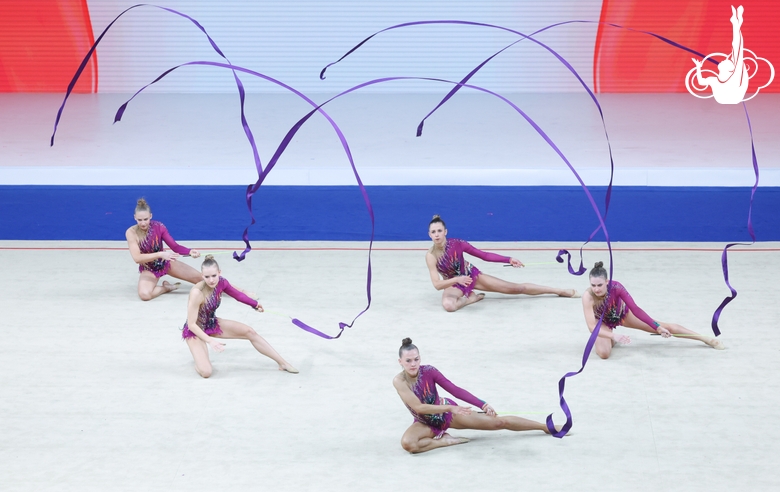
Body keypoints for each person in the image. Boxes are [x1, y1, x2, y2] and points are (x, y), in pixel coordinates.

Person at [393, 338, 559, 453]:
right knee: (408, 444)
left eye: (416, 359)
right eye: (408, 361)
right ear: (400, 361)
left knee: (500, 422)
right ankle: (443, 441)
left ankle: (545, 427)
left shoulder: (429, 371)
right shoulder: (399, 381)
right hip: (425, 422)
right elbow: (419, 408)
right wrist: (452, 407)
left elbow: (455, 389)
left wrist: (483, 404)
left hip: (448, 415)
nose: (413, 364)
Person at [425, 215, 577, 312]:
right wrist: (457, 280)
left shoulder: (458, 243)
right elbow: (437, 285)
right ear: (429, 235)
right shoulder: (431, 256)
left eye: (439, 231)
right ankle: (470, 299)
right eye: (433, 232)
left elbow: (484, 255)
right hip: (453, 283)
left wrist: (508, 259)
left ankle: (558, 291)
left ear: (446, 231)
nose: (437, 235)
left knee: (516, 288)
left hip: (470, 275)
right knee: (449, 305)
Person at [182, 255, 298, 378]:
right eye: (207, 277)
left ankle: (283, 363)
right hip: (195, 331)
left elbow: (238, 295)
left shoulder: (221, 282)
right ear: (202, 276)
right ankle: (199, 363)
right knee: (206, 372)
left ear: (219, 273)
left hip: (211, 323)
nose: (211, 280)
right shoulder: (197, 293)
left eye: (214, 276)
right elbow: (191, 324)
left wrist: (255, 304)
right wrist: (210, 341)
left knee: (250, 331)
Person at [582, 261, 725, 359]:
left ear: (607, 282)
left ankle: (705, 338)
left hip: (621, 315)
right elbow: (591, 327)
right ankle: (610, 338)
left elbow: (636, 309)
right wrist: (613, 336)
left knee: (664, 326)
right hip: (602, 323)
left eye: (599, 285)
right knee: (604, 354)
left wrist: (657, 327)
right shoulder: (588, 297)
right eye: (593, 285)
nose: (596, 289)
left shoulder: (616, 287)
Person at [125, 198, 203, 301]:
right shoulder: (131, 232)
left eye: (146, 219)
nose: (143, 223)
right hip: (149, 268)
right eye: (140, 220)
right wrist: (160, 254)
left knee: (203, 279)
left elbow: (174, 247)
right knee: (145, 295)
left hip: (165, 263)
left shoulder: (159, 226)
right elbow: (137, 258)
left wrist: (189, 251)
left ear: (151, 216)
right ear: (135, 217)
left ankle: (229, 288)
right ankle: (165, 288)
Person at [691, 5, 749, 104]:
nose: (724, 59)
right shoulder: (730, 77)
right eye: (728, 61)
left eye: (727, 61)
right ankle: (736, 23)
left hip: (730, 97)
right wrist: (736, 25)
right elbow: (737, 49)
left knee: (737, 52)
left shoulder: (720, 79)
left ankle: (736, 23)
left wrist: (698, 67)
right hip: (731, 97)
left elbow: (701, 82)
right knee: (737, 52)